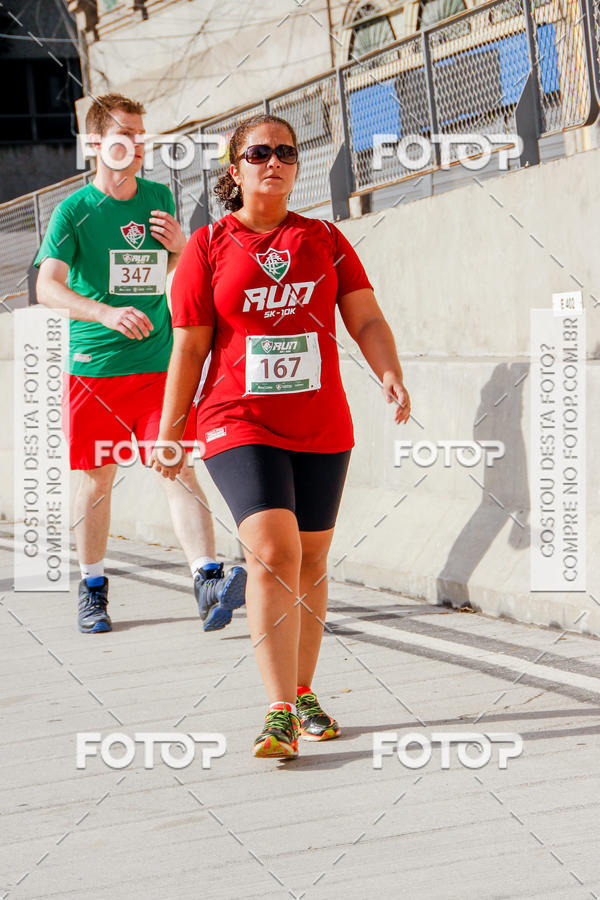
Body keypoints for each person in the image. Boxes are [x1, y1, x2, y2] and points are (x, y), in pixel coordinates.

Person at [151, 113, 411, 759]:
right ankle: (276, 712)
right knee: (272, 550)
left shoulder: (324, 238)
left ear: (297, 166)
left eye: (287, 152)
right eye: (259, 152)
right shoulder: (208, 247)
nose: (275, 161)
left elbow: (367, 318)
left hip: (320, 422)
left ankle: (302, 690)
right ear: (234, 170)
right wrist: (169, 430)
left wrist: (390, 374)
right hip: (236, 418)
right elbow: (189, 348)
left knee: (313, 560)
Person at [35, 93, 246, 634]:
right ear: (97, 144)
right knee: (97, 481)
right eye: (125, 133)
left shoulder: (156, 196)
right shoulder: (74, 211)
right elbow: (47, 286)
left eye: (142, 134)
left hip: (158, 366)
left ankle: (207, 577)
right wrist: (105, 314)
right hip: (96, 370)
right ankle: (93, 586)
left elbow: (166, 269)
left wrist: (181, 247)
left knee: (175, 464)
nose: (137, 143)